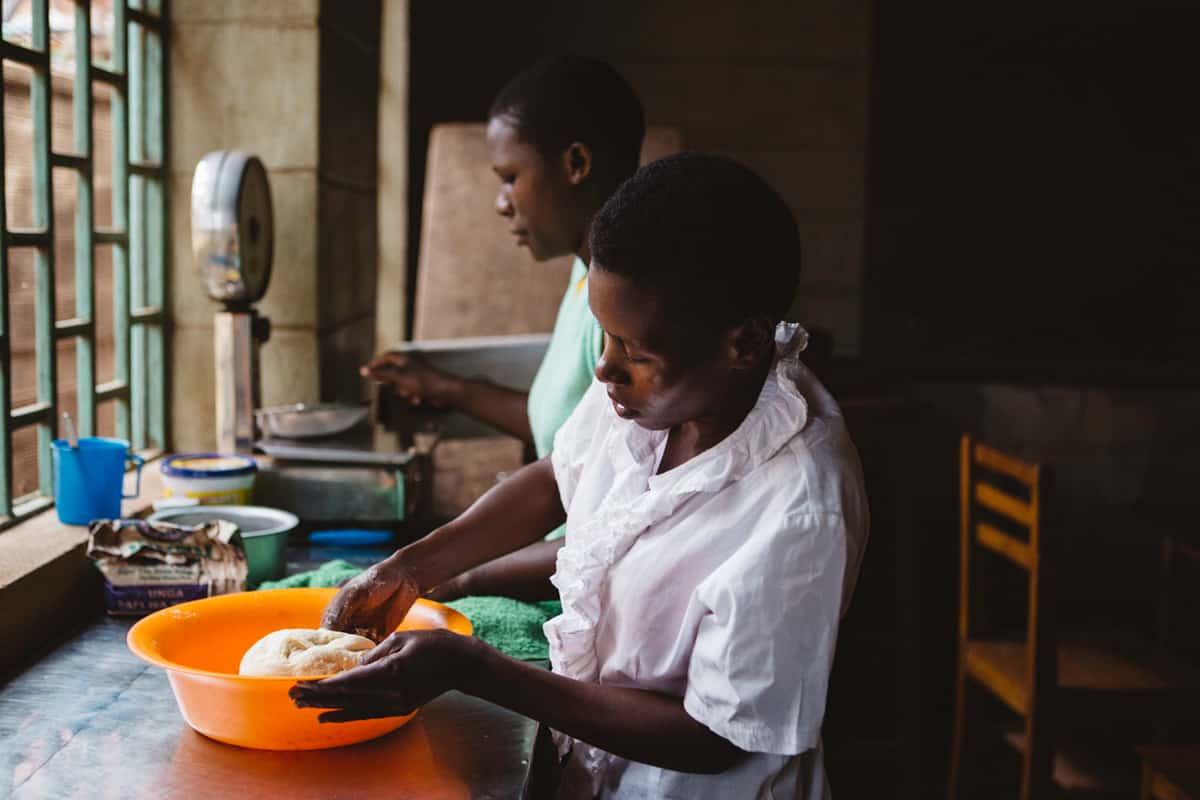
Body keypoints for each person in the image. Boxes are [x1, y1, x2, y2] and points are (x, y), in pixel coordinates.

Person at [294, 153, 869, 799]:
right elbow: (557, 477)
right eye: (605, 337)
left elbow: (714, 737)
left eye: (636, 351)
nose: (605, 370)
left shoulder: (799, 507)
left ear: (744, 342)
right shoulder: (656, 390)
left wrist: (476, 668)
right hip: (593, 770)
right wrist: (414, 566)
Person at [362, 56, 645, 599]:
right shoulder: (584, 274)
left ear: (576, 163)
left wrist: (460, 575)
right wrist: (448, 388)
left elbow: (619, 524)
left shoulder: (625, 312)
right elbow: (571, 436)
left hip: (577, 587)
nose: (501, 203)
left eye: (510, 178)